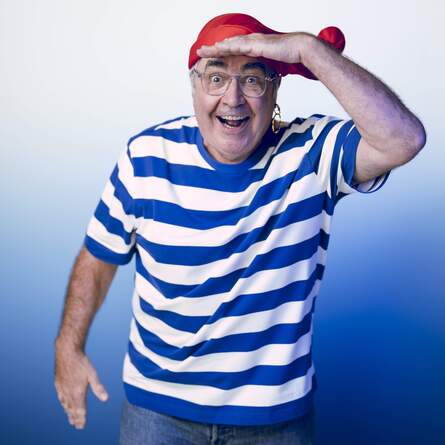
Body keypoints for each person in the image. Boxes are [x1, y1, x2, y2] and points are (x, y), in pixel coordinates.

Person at [54, 12, 426, 445]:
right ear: (193, 87)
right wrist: (68, 345)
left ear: (275, 91)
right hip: (157, 412)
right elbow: (98, 257)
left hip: (274, 423)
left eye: (253, 80)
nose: (232, 98)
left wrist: (308, 49)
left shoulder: (310, 153)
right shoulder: (146, 158)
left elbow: (403, 139)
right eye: (215, 78)